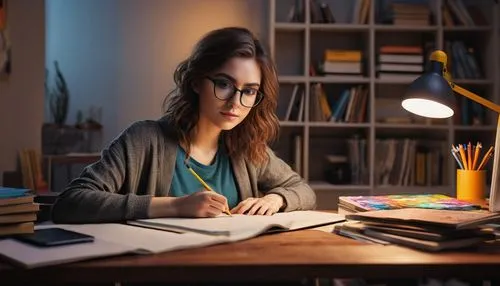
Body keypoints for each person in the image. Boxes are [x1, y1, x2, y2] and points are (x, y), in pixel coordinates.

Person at [51, 27, 316, 224]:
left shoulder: (247, 148)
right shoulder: (143, 140)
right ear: (196, 81)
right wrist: (175, 207)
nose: (236, 102)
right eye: (224, 84)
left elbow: (303, 190)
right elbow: (70, 203)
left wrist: (276, 199)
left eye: (249, 91)